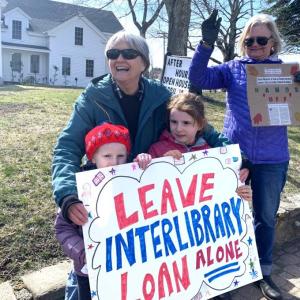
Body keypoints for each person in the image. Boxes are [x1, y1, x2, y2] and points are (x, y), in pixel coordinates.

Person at [188, 10, 296, 300]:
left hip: (273, 159)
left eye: (262, 39)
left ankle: (263, 272)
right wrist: (206, 44)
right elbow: (197, 77)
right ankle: (227, 270)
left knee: (265, 217)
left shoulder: (289, 73)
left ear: (273, 41)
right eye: (249, 41)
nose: (256, 45)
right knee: (226, 215)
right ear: (243, 44)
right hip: (234, 156)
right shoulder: (232, 69)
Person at [52, 30, 172, 228]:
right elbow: (67, 147)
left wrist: (238, 160)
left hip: (150, 194)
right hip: (106, 194)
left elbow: (198, 126)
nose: (120, 59)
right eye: (113, 54)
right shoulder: (93, 98)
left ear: (144, 63)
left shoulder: (161, 97)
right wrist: (67, 194)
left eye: (129, 54)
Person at [55, 122, 147, 300]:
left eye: (121, 155)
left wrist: (144, 161)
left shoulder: (131, 179)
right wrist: (83, 253)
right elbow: (62, 228)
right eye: (107, 156)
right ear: (93, 158)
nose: (115, 162)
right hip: (89, 273)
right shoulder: (80, 188)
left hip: (128, 268)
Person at [136, 92, 252, 201]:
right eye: (174, 122)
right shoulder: (157, 149)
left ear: (200, 124)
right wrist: (155, 162)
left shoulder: (211, 154)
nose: (178, 128)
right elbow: (143, 184)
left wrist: (240, 192)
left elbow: (222, 190)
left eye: (186, 123)